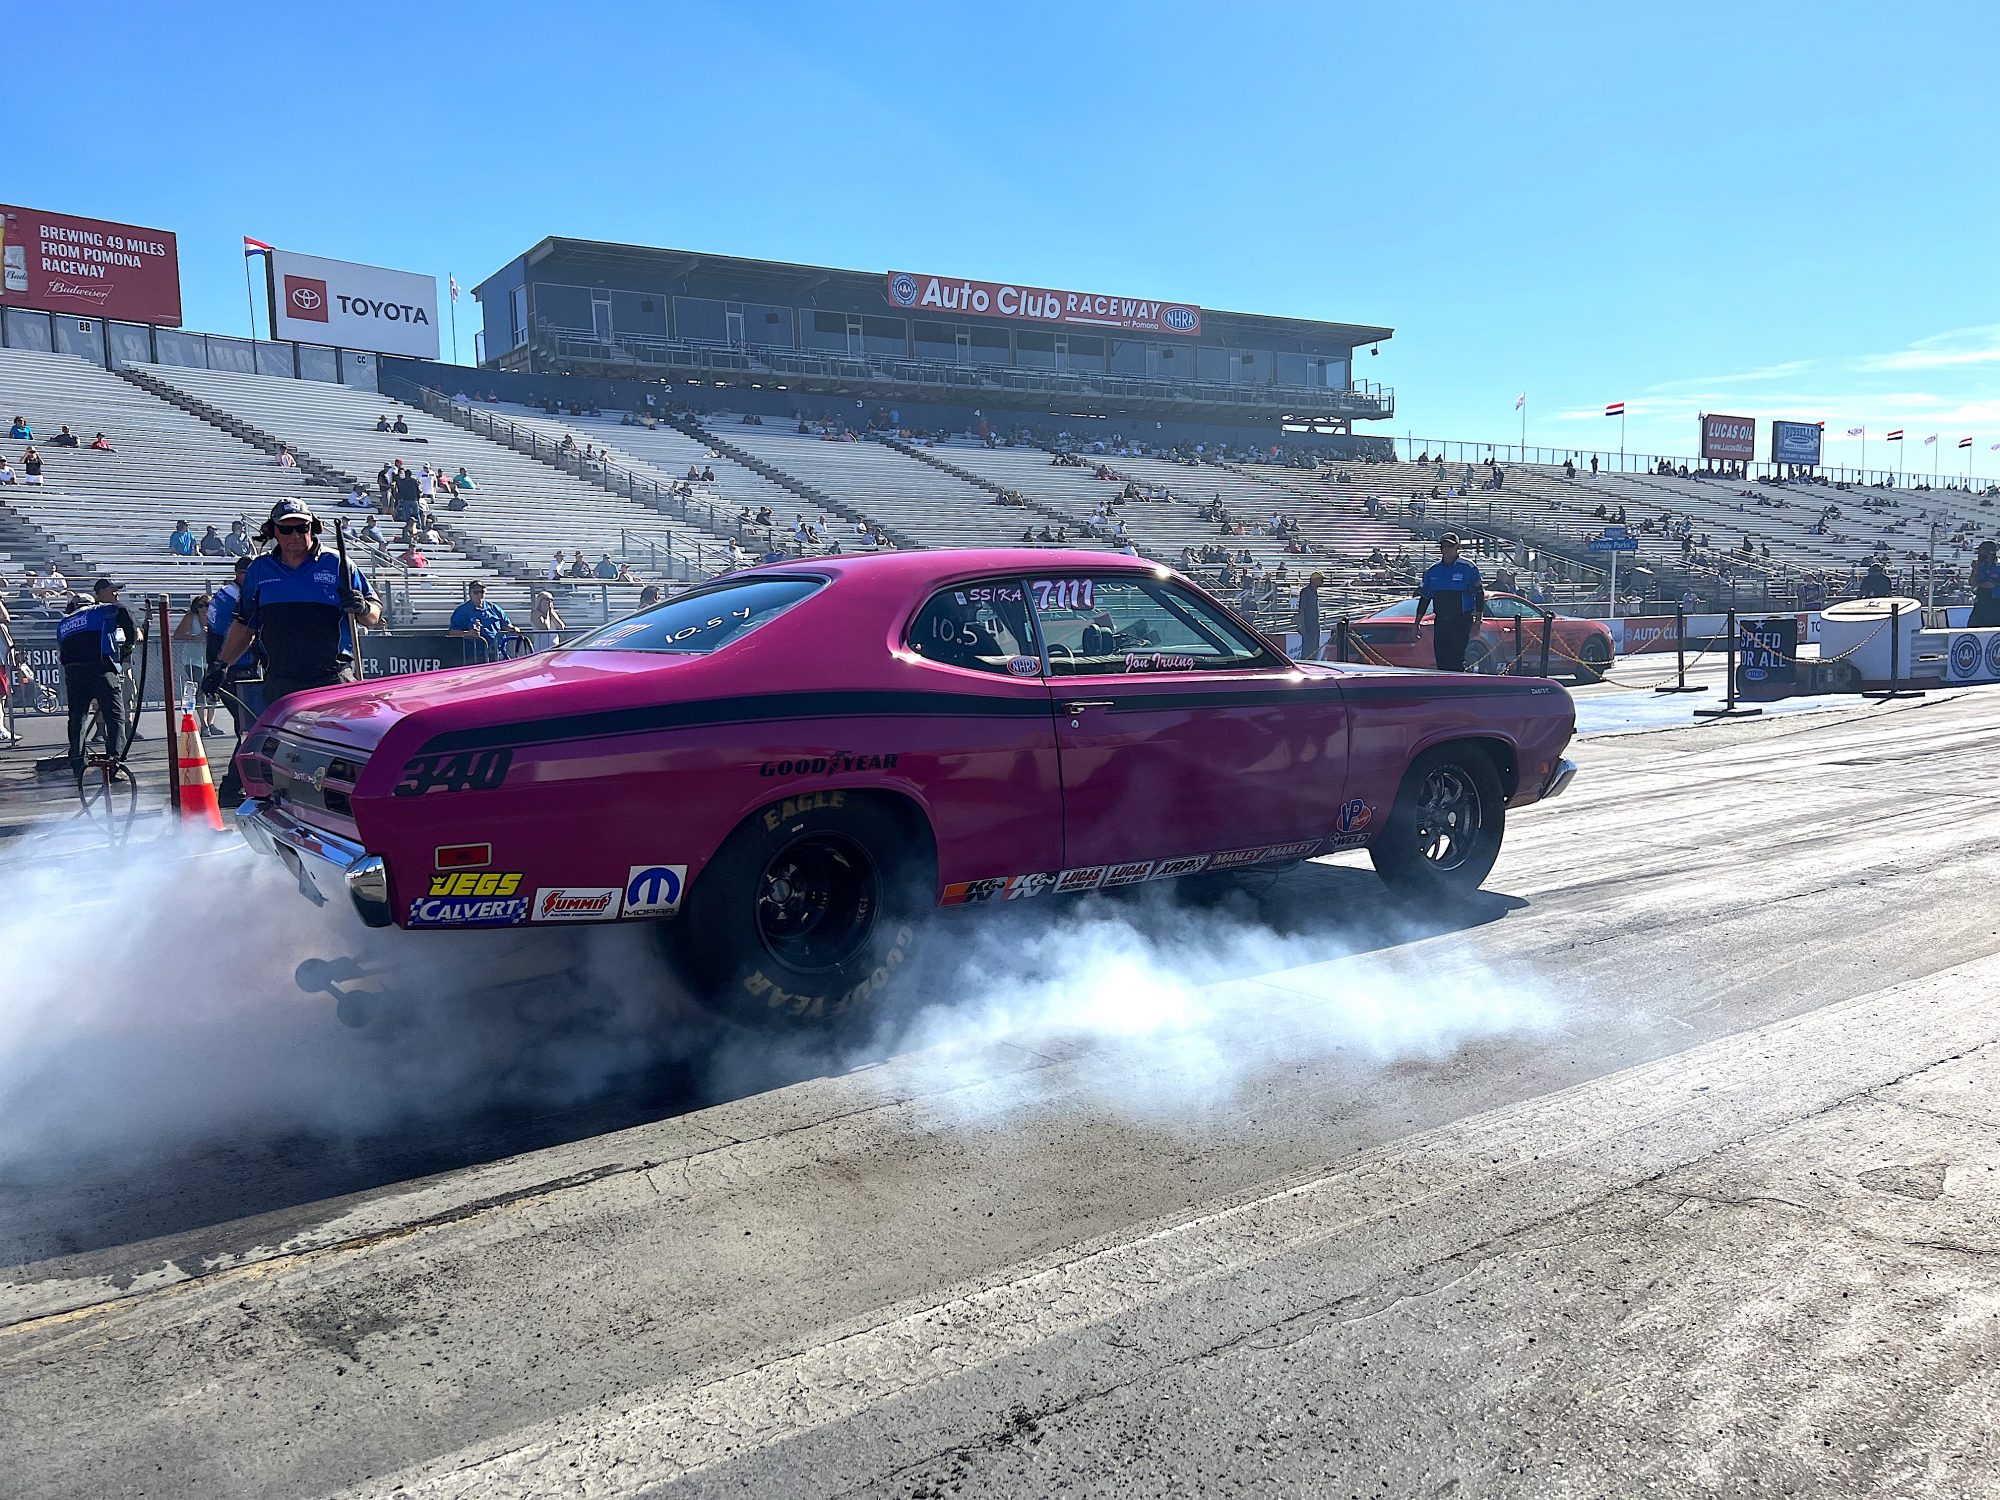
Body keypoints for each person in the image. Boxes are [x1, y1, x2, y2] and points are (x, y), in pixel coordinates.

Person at [203, 499, 381, 805]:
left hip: (332, 680)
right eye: (287, 529)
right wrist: (221, 665)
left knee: (339, 759)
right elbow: (245, 625)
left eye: (302, 528)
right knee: (283, 761)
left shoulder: (338, 564)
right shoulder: (260, 571)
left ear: (312, 528)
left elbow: (375, 616)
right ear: (274, 531)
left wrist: (363, 607)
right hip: (282, 681)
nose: (295, 535)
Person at [59, 578, 138, 775]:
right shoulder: (98, 611)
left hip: (74, 672)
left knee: (77, 718)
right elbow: (122, 612)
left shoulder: (63, 623)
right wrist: (129, 645)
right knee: (114, 717)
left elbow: (63, 654)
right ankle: (115, 762)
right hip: (101, 669)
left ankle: (77, 762)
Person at [1415, 533, 1486, 672]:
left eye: (1450, 546)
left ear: (1457, 547)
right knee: (1441, 659)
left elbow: (1479, 594)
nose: (1447, 549)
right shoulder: (1433, 570)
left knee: (1456, 658)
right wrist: (1416, 623)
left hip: (1461, 620)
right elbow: (1425, 598)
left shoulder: (1468, 568)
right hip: (1441, 620)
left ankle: (1459, 687)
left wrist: (1477, 621)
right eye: (1444, 546)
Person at [448, 580, 513, 661]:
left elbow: (506, 624)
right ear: (470, 594)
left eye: (482, 592)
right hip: (474, 656)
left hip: (498, 653)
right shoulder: (462, 611)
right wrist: (468, 633)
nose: (479, 595)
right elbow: (452, 632)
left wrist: (512, 628)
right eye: (476, 592)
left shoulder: (495, 608)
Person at [1970, 541, 2000, 627]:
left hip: (1995, 602)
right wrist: (1975, 570)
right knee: (1973, 625)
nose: (1979, 554)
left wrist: (1978, 584)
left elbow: (1991, 584)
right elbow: (1971, 582)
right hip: (1981, 601)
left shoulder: (1998, 566)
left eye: (1981, 551)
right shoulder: (1981, 565)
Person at [1297, 571, 1324, 658]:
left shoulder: (1314, 591)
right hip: (1308, 624)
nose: (1322, 581)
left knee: (1315, 648)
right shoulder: (1305, 592)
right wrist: (1303, 626)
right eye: (1320, 579)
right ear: (1314, 580)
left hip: (1315, 623)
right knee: (1308, 650)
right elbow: (1302, 610)